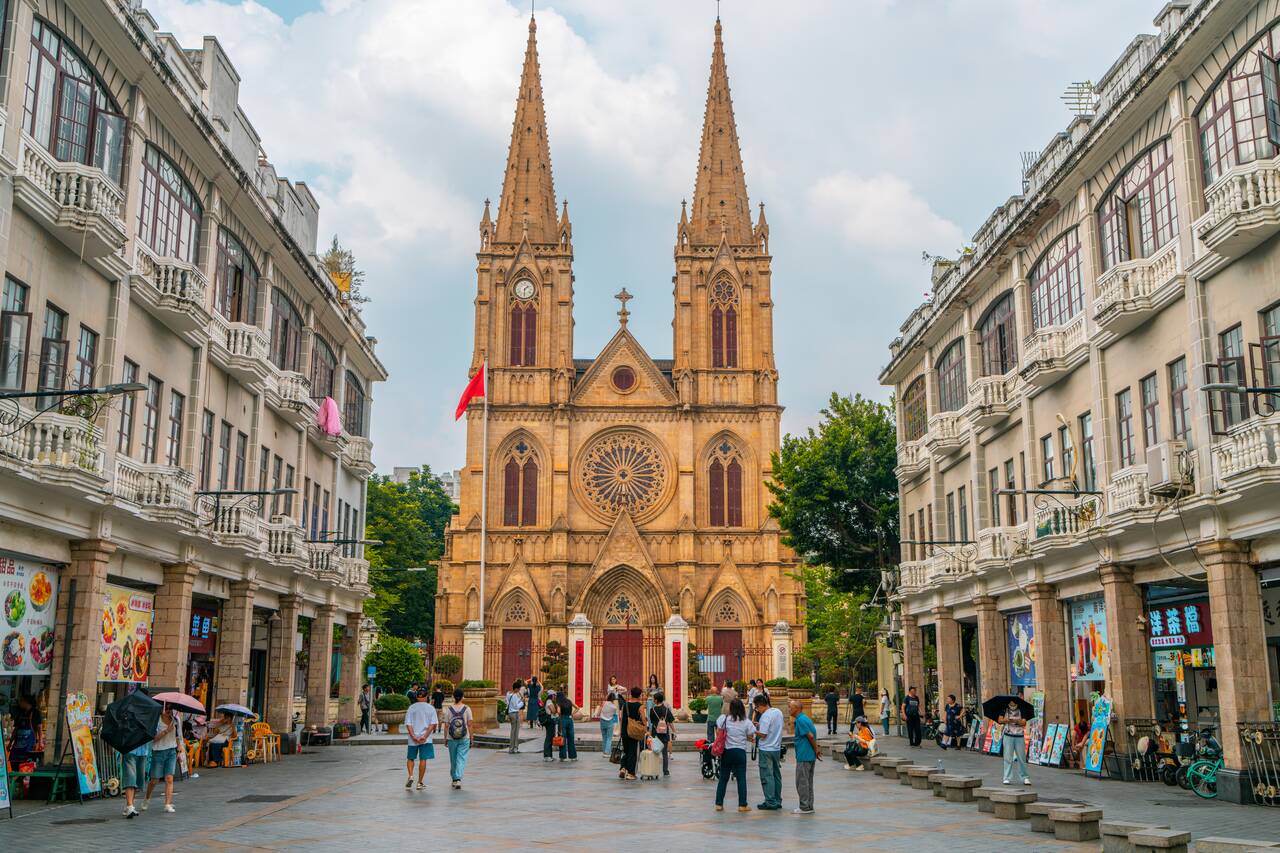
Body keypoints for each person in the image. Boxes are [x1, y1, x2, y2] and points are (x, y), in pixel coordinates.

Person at [713, 697, 756, 812]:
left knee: (723, 778)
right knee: (741, 779)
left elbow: (719, 731)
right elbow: (751, 733)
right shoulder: (746, 722)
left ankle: (719, 804)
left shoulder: (724, 718)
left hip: (727, 751)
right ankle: (742, 805)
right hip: (740, 752)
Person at [143, 708, 179, 813]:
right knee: (155, 780)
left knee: (169, 778)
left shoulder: (175, 720)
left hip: (171, 751)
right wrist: (166, 731)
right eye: (166, 708)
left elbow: (178, 736)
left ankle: (167, 804)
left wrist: (180, 748)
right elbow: (153, 739)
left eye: (170, 708)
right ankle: (147, 798)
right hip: (158, 752)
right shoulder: (156, 721)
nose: (168, 710)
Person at [753, 693, 784, 811]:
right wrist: (759, 725)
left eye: (757, 708)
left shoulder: (765, 716)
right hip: (776, 748)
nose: (757, 710)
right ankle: (777, 799)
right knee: (776, 775)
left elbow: (763, 734)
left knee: (767, 775)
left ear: (760, 705)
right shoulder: (778, 712)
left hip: (766, 748)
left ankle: (770, 801)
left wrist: (753, 730)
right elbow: (773, 726)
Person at [790, 698, 820, 815]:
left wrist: (816, 749)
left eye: (790, 707)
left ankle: (804, 807)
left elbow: (810, 736)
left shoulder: (800, 720)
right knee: (808, 782)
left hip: (804, 755)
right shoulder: (805, 718)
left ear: (796, 709)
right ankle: (809, 806)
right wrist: (815, 751)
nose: (789, 709)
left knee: (801, 782)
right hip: (809, 755)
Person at [404, 688, 438, 790]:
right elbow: (432, 724)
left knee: (410, 758)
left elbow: (408, 724)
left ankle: (410, 775)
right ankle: (419, 782)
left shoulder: (411, 708)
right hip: (425, 739)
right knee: (423, 759)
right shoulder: (431, 708)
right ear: (426, 697)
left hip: (412, 739)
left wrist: (413, 736)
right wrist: (425, 736)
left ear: (417, 697)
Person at [444, 688, 473, 790]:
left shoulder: (449, 709)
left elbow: (446, 725)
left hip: (451, 738)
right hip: (464, 737)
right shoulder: (467, 709)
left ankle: (454, 778)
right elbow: (470, 724)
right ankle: (458, 779)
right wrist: (471, 737)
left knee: (453, 759)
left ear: (453, 696)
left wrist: (445, 738)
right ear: (462, 697)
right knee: (461, 758)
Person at [999, 699, 1031, 785]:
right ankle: (1007, 777)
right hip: (1008, 735)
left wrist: (1016, 721)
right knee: (1007, 757)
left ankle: (1025, 777)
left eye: (1014, 703)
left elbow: (1024, 722)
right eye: (1011, 703)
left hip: (1019, 735)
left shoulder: (1022, 708)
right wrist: (1006, 720)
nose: (1012, 705)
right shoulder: (1004, 708)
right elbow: (1000, 720)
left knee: (1021, 758)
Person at [7, 695, 42, 768]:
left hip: (29, 746)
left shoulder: (35, 712)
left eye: (21, 701)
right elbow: (16, 729)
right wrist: (10, 743)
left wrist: (40, 742)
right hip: (17, 745)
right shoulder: (20, 713)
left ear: (26, 702)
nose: (19, 703)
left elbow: (39, 728)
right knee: (14, 764)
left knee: (26, 767)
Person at [120, 737, 150, 818]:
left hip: (142, 751)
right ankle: (130, 807)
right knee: (130, 777)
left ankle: (129, 806)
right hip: (129, 749)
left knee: (137, 780)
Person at [648, 690, 676, 777]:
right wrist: (674, 731)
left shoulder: (652, 710)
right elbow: (670, 722)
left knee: (654, 752)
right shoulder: (666, 710)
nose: (653, 700)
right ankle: (665, 771)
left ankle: (654, 770)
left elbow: (652, 722)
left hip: (655, 734)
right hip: (665, 733)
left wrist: (650, 732)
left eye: (654, 699)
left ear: (656, 700)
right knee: (664, 753)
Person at [619, 686, 644, 780]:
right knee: (633, 752)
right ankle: (630, 773)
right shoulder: (640, 706)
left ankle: (623, 768)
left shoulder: (624, 705)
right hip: (634, 731)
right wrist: (645, 728)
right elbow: (643, 719)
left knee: (626, 751)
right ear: (639, 695)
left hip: (624, 731)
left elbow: (621, 719)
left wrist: (621, 731)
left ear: (631, 694)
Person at [555, 686, 578, 762]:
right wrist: (572, 714)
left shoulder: (559, 703)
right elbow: (577, 708)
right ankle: (573, 756)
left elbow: (559, 712)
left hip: (562, 720)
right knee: (571, 738)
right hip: (570, 719)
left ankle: (563, 756)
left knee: (562, 737)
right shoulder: (569, 701)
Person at [505, 679, 525, 754]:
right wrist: (522, 702)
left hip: (510, 713)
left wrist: (519, 700)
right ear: (516, 688)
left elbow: (508, 703)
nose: (519, 690)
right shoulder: (515, 696)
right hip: (515, 714)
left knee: (512, 731)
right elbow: (516, 706)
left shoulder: (508, 694)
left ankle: (511, 748)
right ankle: (515, 748)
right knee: (516, 732)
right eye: (519, 689)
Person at [597, 691, 619, 756]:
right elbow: (615, 716)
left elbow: (599, 712)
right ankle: (607, 752)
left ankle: (604, 751)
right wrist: (616, 725)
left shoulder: (604, 703)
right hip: (610, 722)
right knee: (609, 738)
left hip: (602, 721)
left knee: (604, 737)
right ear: (614, 699)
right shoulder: (614, 707)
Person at [541, 687, 559, 761]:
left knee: (550, 737)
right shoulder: (549, 702)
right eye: (554, 695)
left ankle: (549, 755)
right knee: (549, 737)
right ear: (552, 695)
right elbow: (553, 711)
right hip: (549, 720)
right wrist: (556, 707)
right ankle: (547, 756)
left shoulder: (548, 701)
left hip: (550, 720)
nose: (555, 697)